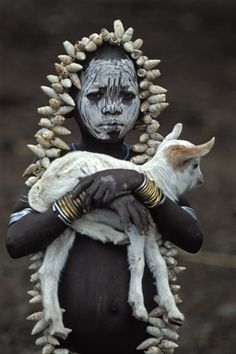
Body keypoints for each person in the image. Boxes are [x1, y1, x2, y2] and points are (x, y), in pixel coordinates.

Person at [6, 29, 203, 354]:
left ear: (143, 105)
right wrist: (85, 196)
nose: (112, 108)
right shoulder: (57, 171)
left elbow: (192, 237)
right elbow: (16, 241)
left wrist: (138, 185)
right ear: (70, 102)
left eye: (126, 97)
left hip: (139, 344)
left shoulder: (153, 172)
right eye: (96, 96)